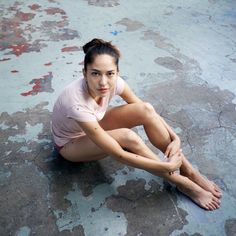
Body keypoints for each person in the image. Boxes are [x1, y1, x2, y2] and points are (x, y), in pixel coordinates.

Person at [52, 38, 221, 210]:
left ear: (117, 72)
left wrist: (175, 138)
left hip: (94, 123)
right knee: (128, 137)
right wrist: (166, 166)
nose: (103, 82)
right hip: (70, 145)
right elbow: (119, 154)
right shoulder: (76, 102)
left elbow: (148, 113)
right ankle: (180, 182)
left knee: (146, 109)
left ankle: (189, 171)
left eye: (110, 73)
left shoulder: (114, 82)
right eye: (95, 73)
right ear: (84, 73)